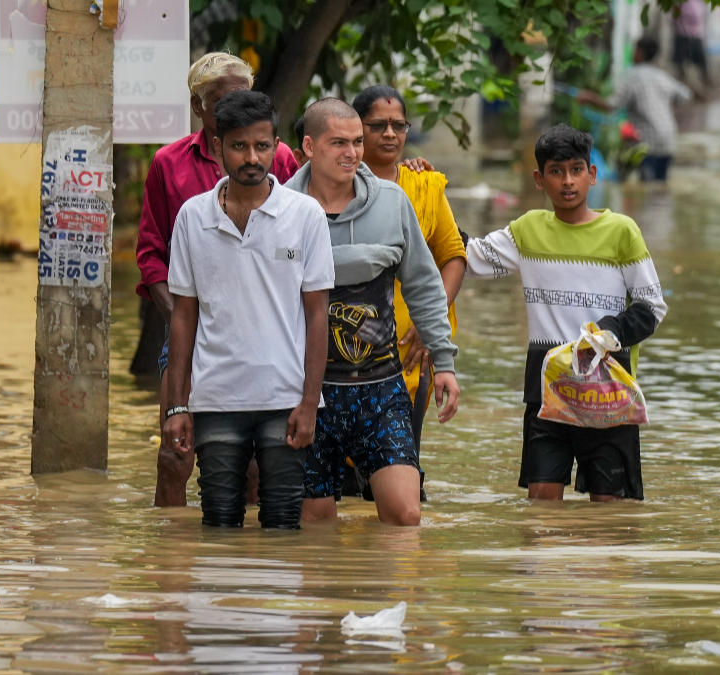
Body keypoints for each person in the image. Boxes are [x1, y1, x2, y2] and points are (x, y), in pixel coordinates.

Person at [463, 125, 667, 502]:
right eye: (556, 171)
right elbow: (467, 255)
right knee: (541, 502)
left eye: (576, 170)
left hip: (607, 390)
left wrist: (609, 331)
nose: (568, 181)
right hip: (546, 390)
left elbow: (652, 307)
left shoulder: (622, 232)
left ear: (592, 174)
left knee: (610, 509)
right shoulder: (527, 231)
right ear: (540, 179)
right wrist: (417, 192)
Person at [162, 90, 334, 529]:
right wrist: (177, 406)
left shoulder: (305, 215)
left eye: (262, 145)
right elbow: (183, 315)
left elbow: (318, 314)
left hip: (286, 399)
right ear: (217, 147)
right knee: (218, 522)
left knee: (281, 523)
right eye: (239, 146)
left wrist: (310, 402)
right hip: (216, 399)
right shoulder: (192, 218)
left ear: (276, 146)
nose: (251, 157)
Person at [285, 98, 460, 527]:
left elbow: (422, 282)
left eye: (357, 143)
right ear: (309, 146)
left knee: (405, 516)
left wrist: (445, 361)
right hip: (308, 394)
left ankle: (395, 597)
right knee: (315, 524)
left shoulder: (391, 202)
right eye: (338, 143)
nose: (353, 153)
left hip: (381, 390)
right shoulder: (281, 209)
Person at [136, 52, 299, 508]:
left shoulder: (279, 158)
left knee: (253, 465)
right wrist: (186, 317)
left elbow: (322, 202)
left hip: (264, 332)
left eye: (244, 98)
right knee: (174, 454)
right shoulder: (169, 164)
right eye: (223, 102)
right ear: (198, 107)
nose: (235, 110)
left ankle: (241, 563)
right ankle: (172, 555)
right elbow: (151, 257)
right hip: (191, 327)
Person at [350, 85, 467, 489]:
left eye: (398, 125)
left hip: (410, 348)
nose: (389, 134)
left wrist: (429, 323)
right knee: (339, 478)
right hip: (342, 348)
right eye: (377, 125)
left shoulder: (425, 185)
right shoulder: (335, 185)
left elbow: (452, 255)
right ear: (356, 129)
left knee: (398, 466)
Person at [581, 38, 691, 182]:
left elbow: (611, 106)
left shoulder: (632, 76)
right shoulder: (661, 75)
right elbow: (686, 95)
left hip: (647, 143)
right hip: (669, 139)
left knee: (646, 187)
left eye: (635, 50)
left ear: (640, 53)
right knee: (660, 185)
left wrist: (589, 98)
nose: (632, 53)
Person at [672, 0, 713, 88]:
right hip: (682, 35)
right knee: (680, 64)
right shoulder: (679, 2)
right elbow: (674, 18)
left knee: (702, 63)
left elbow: (700, 17)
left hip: (695, 36)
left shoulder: (700, 3)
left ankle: (707, 85)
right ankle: (680, 85)